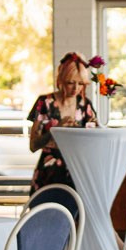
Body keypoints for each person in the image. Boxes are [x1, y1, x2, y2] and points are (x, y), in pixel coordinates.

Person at [27, 53, 98, 192]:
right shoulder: (45, 102)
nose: (76, 88)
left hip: (77, 171)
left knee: (77, 205)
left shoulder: (85, 105)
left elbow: (93, 142)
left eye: (81, 84)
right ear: (61, 80)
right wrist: (55, 130)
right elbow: (33, 146)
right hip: (48, 173)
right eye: (71, 82)